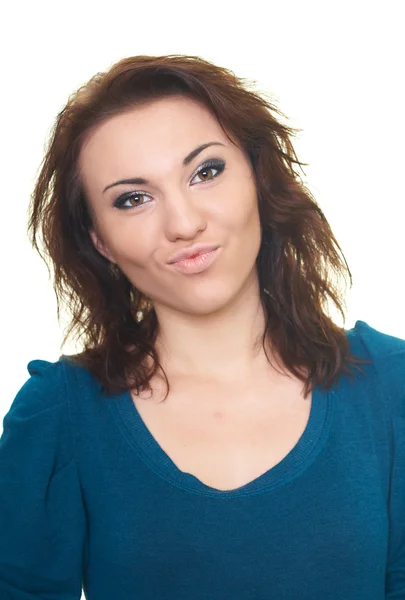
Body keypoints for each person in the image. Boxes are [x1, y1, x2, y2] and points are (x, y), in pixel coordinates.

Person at [0, 54, 404, 600]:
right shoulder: (59, 414)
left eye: (206, 172)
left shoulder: (391, 386)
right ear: (100, 241)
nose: (184, 223)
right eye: (133, 199)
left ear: (258, 178)